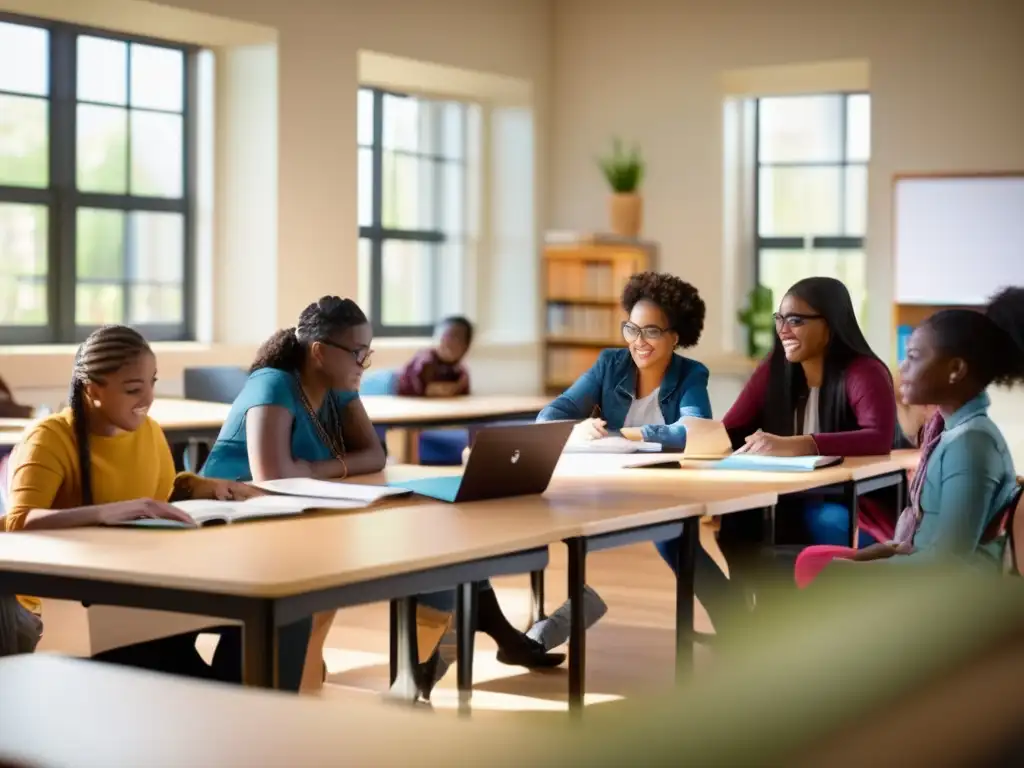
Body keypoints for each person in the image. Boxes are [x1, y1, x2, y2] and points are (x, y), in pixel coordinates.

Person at [200, 297, 561, 700]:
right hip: (239, 524)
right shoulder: (273, 383)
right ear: (319, 352)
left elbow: (374, 455)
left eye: (366, 354)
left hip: (309, 514)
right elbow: (274, 475)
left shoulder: (339, 391)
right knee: (426, 546)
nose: (363, 365)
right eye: (357, 354)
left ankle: (414, 682)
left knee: (440, 545)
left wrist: (316, 468)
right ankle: (436, 664)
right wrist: (324, 467)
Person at [2, 325, 257, 677]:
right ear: (93, 390)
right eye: (134, 389)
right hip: (75, 600)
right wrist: (107, 513)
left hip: (140, 581)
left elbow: (157, 498)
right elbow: (17, 523)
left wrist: (200, 486)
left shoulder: (149, 431)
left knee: (253, 624)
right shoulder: (49, 438)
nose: (148, 398)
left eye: (152, 382)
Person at [654, 276, 897, 634]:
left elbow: (878, 437)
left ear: (830, 324)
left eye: (796, 320)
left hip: (840, 498)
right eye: (779, 319)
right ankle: (736, 618)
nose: (783, 329)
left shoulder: (864, 371)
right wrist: (672, 441)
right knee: (672, 532)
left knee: (826, 524)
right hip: (773, 497)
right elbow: (731, 429)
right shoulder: (775, 369)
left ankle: (792, 628)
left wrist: (800, 443)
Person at [795, 287, 1024, 586]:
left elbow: (947, 563)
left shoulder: (972, 444)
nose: (903, 367)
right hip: (928, 574)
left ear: (955, 369)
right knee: (812, 560)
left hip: (951, 596)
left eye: (914, 357)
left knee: (816, 567)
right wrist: (885, 553)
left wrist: (863, 571)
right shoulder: (952, 431)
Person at [528, 271, 709, 649]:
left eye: (652, 332)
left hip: (664, 487)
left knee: (676, 541)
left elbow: (693, 430)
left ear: (676, 336)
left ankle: (736, 622)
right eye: (631, 329)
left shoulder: (692, 373)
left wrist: (629, 434)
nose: (638, 343)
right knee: (541, 520)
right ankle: (556, 620)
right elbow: (550, 415)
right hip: (604, 481)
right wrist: (573, 429)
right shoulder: (610, 364)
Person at [396, 316, 473, 397]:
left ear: (466, 348)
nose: (450, 344)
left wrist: (456, 389)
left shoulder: (460, 372)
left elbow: (463, 394)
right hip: (393, 386)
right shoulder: (425, 361)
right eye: (445, 339)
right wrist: (429, 390)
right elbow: (410, 385)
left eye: (457, 340)